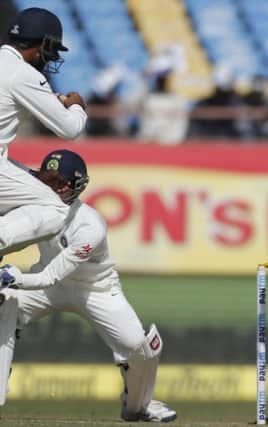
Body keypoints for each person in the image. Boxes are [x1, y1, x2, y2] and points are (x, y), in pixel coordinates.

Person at [0, 150, 177, 422]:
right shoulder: (34, 202)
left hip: (96, 290)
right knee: (3, 301)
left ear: (78, 186)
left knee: (141, 347)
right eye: (48, 180)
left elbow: (50, 276)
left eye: (61, 183)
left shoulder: (90, 226)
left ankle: (139, 406)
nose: (54, 188)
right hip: (45, 289)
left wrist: (15, 277)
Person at [0, 7, 87, 257]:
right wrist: (77, 106)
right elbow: (69, 129)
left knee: (21, 208)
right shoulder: (22, 72)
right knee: (54, 208)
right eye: (51, 49)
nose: (50, 57)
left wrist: (30, 174)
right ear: (42, 43)